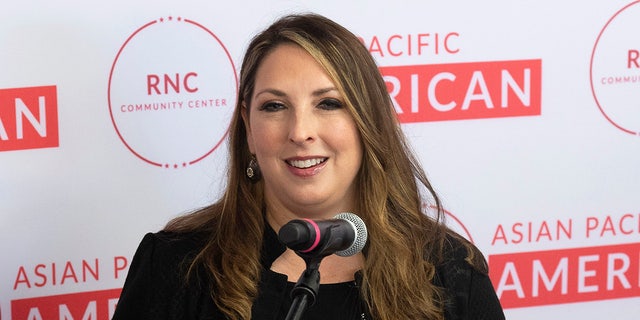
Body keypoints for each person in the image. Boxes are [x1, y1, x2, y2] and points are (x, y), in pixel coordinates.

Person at [112, 13, 505, 320]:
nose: (300, 131)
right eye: (275, 106)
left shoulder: (451, 273)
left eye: (328, 103)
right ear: (249, 127)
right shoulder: (176, 266)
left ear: (368, 122)